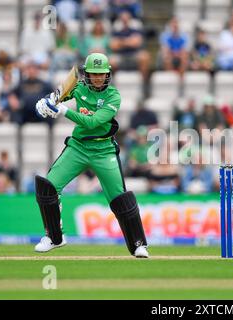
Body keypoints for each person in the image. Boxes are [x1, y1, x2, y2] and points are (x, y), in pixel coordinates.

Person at [34, 52, 149, 257]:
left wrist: (62, 111)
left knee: (119, 198)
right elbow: (58, 95)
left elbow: (93, 122)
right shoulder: (78, 89)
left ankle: (138, 244)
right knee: (48, 186)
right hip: (78, 147)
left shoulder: (113, 96)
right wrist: (45, 103)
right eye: (93, 74)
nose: (97, 78)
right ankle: (54, 237)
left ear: (108, 75)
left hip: (104, 150)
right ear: (86, 74)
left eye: (101, 74)